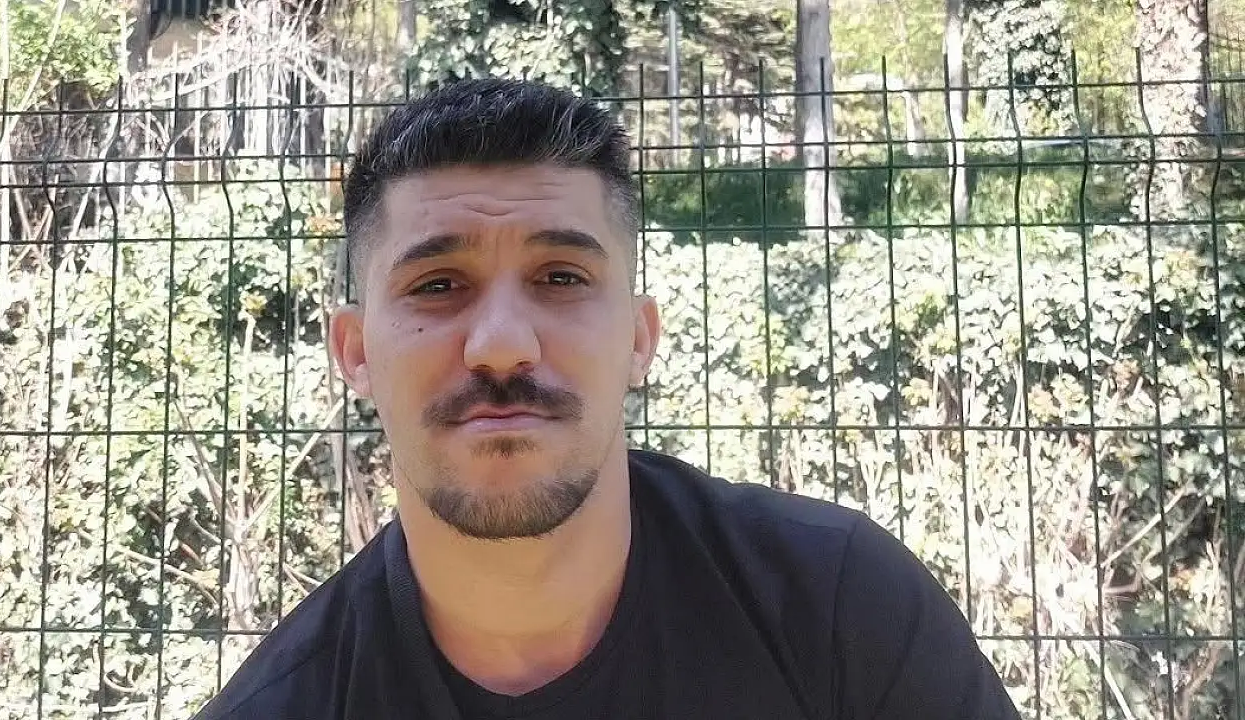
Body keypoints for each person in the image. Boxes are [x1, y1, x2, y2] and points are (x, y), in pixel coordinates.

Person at [191, 78, 1021, 720]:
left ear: (637, 338)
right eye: (438, 285)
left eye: (561, 277)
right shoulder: (283, 705)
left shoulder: (841, 609)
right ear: (355, 352)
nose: (502, 343)